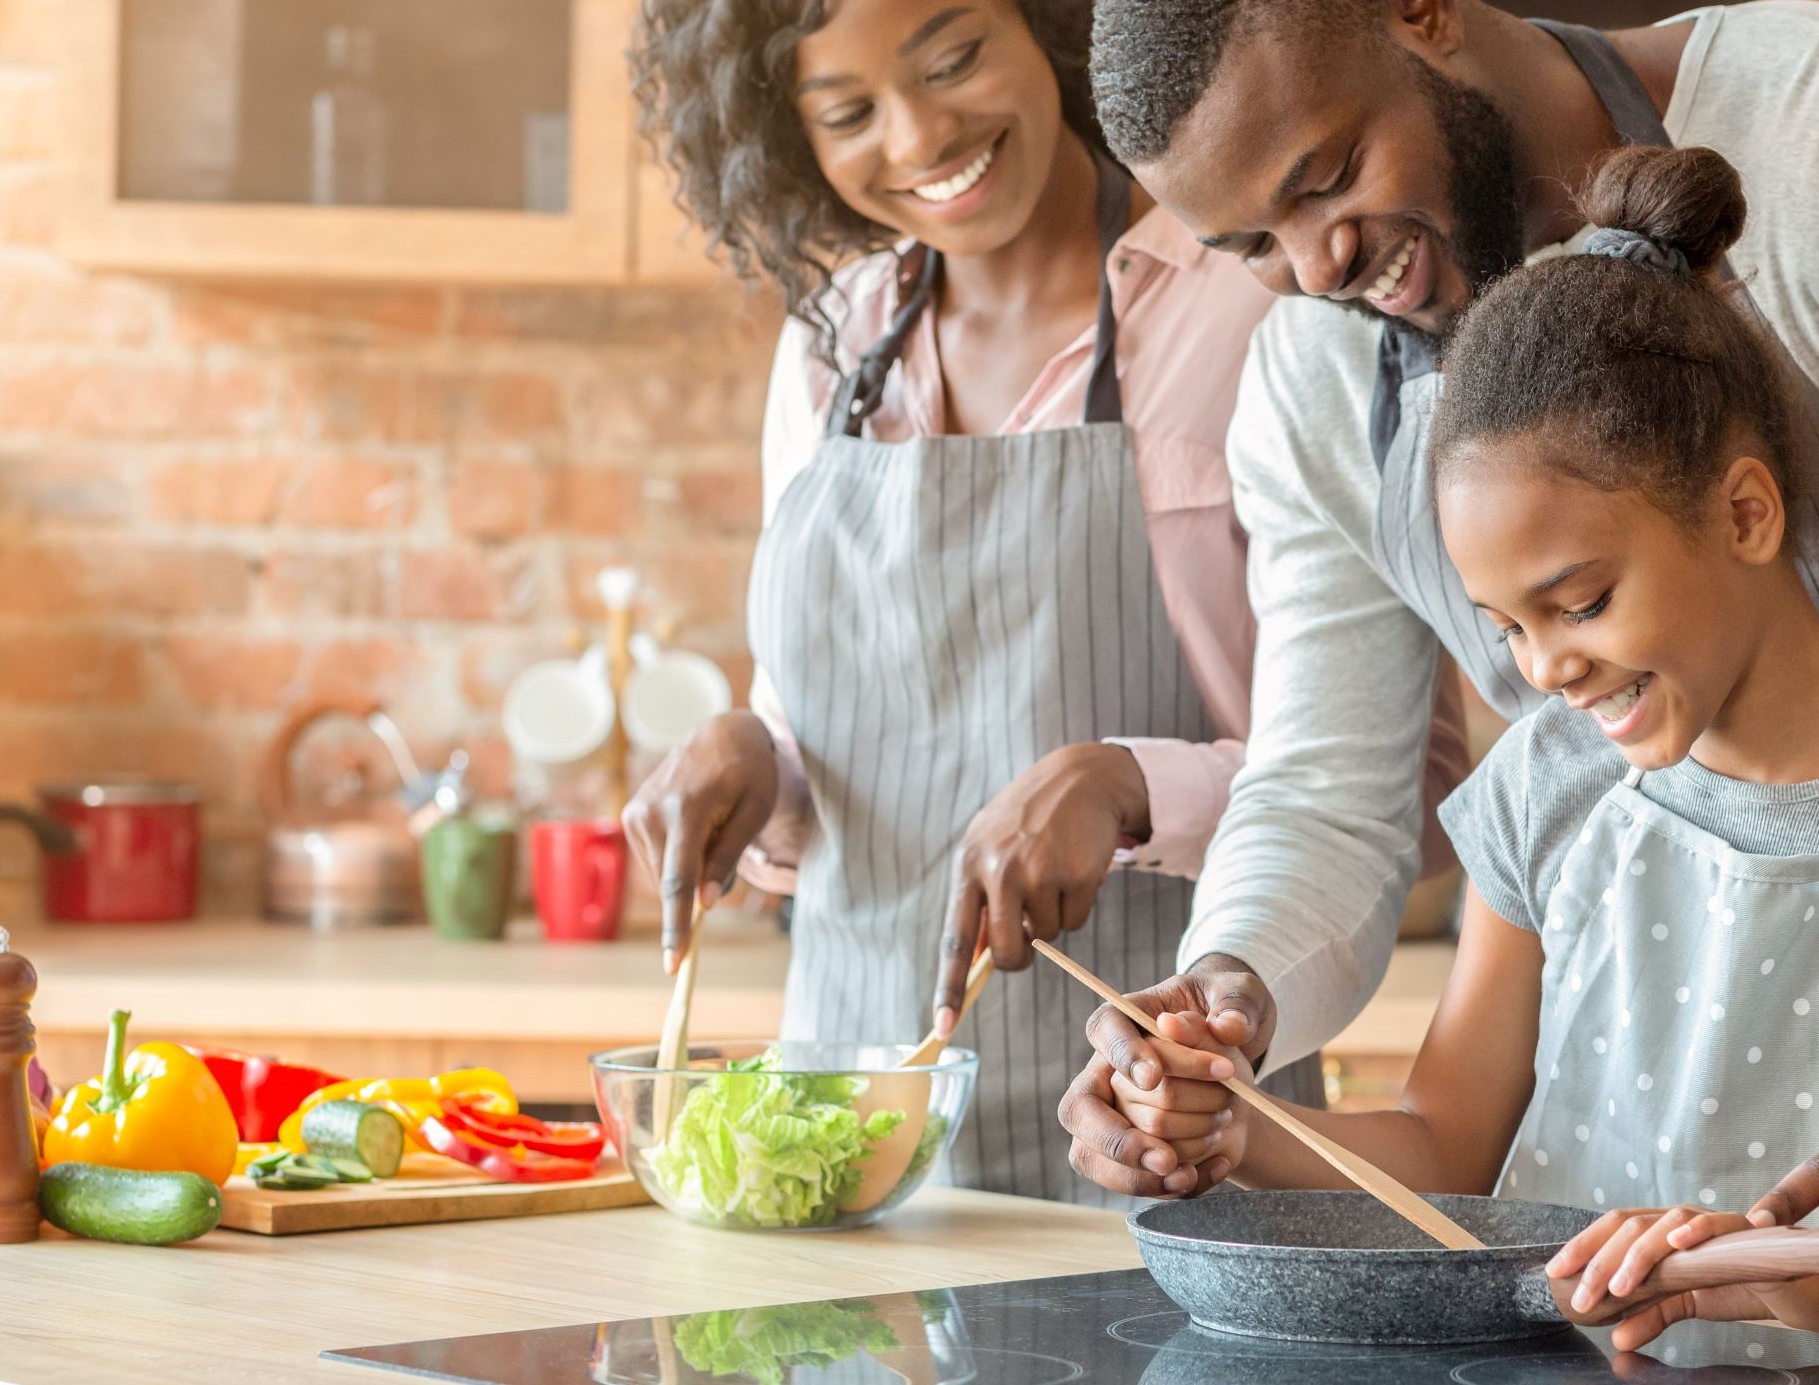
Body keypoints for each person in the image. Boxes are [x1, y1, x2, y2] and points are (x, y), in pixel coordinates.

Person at [1062, 0, 1819, 1330]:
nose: (1315, 269)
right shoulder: (1535, 765)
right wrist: (1216, 1027)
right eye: (1249, 244)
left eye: (1325, 177)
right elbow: (1322, 788)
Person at [623, 0, 1468, 1204]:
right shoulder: (830, 348)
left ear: (1048, 27)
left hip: (1178, 1140)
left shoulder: (1262, 307)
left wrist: (1128, 786)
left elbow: (1402, 782)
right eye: (848, 112)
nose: (918, 136)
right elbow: (846, 749)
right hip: (852, 1160)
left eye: (954, 57)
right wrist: (751, 757)